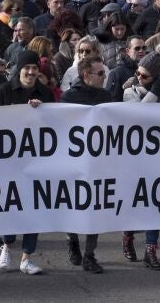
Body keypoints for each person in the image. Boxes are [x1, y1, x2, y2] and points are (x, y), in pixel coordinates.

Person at [0, 51, 54, 275]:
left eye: (34, 68)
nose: (30, 72)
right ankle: (7, 245)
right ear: (19, 69)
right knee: (11, 205)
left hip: (36, 160)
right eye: (26, 68)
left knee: (34, 207)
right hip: (9, 160)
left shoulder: (45, 93)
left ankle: (27, 257)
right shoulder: (4, 90)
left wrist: (42, 112)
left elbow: (54, 125)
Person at [60, 55, 113, 274]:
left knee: (95, 207)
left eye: (104, 73)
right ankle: (72, 241)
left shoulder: (106, 96)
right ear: (86, 75)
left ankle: (90, 255)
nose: (104, 77)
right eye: (100, 73)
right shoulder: (69, 97)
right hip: (73, 161)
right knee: (73, 205)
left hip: (98, 160)